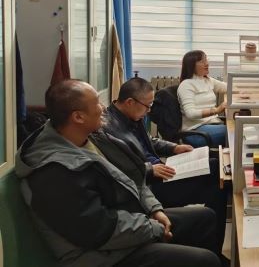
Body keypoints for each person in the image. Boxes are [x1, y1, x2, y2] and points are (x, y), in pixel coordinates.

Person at [15, 79, 221, 267]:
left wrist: (154, 210)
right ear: (78, 117)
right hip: (102, 254)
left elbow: (132, 175)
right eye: (96, 103)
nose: (103, 108)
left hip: (128, 220)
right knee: (206, 260)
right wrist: (154, 228)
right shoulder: (55, 172)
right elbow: (99, 231)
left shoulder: (90, 137)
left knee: (205, 218)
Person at [103, 77, 227, 254]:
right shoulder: (109, 129)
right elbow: (118, 168)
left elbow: (149, 141)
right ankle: (211, 248)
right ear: (130, 102)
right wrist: (149, 169)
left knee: (216, 169)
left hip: (159, 170)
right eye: (147, 106)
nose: (149, 111)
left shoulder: (132, 115)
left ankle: (210, 244)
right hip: (149, 184)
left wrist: (173, 147)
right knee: (216, 182)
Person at [177, 50, 228, 147]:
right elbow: (190, 113)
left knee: (239, 129)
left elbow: (228, 87)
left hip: (212, 125)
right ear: (192, 65)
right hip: (196, 131)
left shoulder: (207, 80)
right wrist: (217, 110)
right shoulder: (186, 85)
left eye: (206, 60)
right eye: (202, 61)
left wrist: (243, 89)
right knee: (237, 131)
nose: (207, 63)